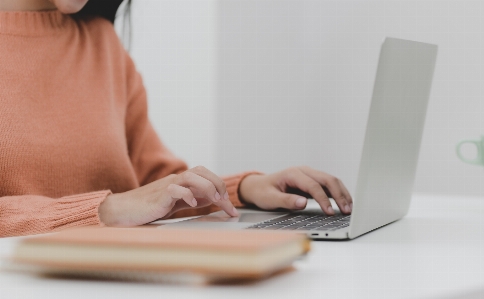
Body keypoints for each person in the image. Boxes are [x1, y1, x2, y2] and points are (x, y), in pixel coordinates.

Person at [0, 0, 353, 237]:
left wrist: (242, 190)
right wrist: (105, 209)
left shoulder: (103, 44)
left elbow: (155, 187)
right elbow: (128, 204)